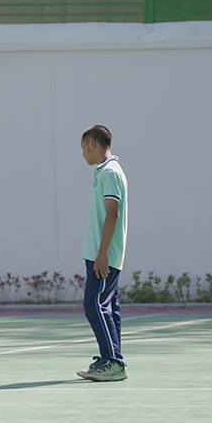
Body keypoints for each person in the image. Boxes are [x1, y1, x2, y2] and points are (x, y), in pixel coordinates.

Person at [76, 125, 129, 382]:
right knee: (108, 307)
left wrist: (103, 253)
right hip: (99, 253)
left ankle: (114, 362)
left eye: (83, 147)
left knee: (94, 304)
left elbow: (113, 213)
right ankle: (111, 359)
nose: (82, 153)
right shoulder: (105, 171)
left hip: (103, 255)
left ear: (92, 143)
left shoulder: (110, 172)